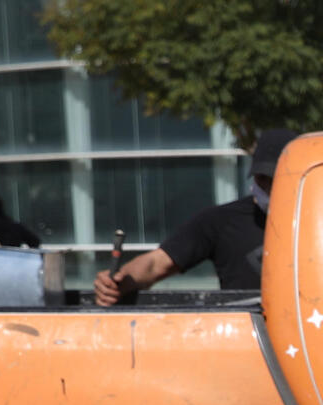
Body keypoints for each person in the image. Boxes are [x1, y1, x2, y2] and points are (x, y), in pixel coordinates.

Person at [95, 130, 294, 303]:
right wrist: (120, 281)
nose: (267, 188)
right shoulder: (221, 221)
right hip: (245, 336)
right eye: (262, 179)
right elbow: (156, 263)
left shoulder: (321, 221)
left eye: (275, 179)